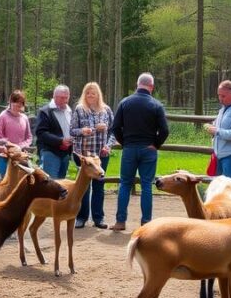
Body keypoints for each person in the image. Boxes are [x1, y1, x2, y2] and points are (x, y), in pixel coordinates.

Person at [111, 73, 169, 232]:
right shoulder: (156, 105)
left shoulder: (125, 103)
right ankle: (146, 222)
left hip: (130, 148)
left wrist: (125, 143)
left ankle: (120, 221)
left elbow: (115, 127)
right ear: (151, 86)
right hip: (148, 149)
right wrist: (156, 144)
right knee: (147, 186)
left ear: (138, 84)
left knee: (124, 184)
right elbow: (164, 130)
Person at [70, 82, 115, 229]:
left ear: (98, 95)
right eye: (88, 93)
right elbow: (72, 131)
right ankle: (81, 217)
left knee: (99, 186)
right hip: (84, 155)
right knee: (84, 187)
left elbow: (113, 132)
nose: (90, 95)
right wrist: (82, 131)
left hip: (101, 155)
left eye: (93, 93)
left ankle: (98, 218)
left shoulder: (106, 110)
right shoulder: (79, 109)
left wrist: (108, 146)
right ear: (84, 94)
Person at [35, 85, 75, 180]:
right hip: (50, 152)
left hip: (65, 153)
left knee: (61, 184)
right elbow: (41, 133)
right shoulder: (45, 111)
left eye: (66, 98)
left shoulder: (69, 111)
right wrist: (60, 141)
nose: (65, 100)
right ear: (54, 96)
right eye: (62, 98)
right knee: (50, 184)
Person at [0, 89, 33, 177]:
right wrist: (10, 145)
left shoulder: (24, 118)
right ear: (10, 101)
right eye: (16, 101)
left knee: (21, 181)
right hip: (4, 156)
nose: (18, 104)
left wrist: (21, 146)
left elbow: (29, 137)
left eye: (21, 102)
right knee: (4, 180)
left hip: (20, 155)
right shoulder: (3, 116)